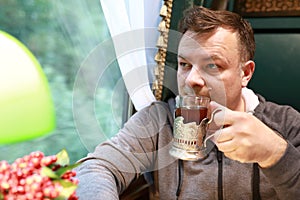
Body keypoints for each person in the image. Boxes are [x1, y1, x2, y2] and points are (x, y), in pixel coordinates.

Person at [75, 6, 300, 199]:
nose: (191, 80)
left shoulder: (287, 123)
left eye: (212, 66)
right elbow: (96, 167)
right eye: (184, 65)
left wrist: (275, 154)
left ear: (246, 73)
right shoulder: (158, 120)